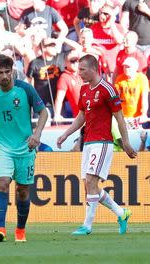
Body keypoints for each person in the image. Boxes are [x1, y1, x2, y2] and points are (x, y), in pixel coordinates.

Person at [56, 54, 137, 236]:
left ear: (94, 69)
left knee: (92, 182)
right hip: (89, 142)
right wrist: (66, 134)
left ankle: (87, 226)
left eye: (83, 70)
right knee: (89, 186)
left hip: (102, 142)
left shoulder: (108, 89)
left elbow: (119, 117)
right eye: (78, 70)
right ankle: (121, 213)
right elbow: (81, 116)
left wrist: (125, 142)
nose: (80, 73)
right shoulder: (84, 90)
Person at [0, 55, 48, 242]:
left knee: (23, 191)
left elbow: (44, 111)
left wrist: (37, 134)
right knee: (2, 184)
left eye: (7, 72)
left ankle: (20, 230)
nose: (4, 76)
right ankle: (0, 228)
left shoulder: (25, 89)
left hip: (25, 147)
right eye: (0, 73)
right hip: (2, 148)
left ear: (12, 71)